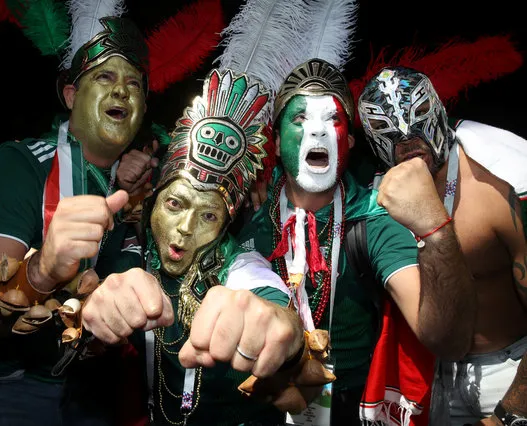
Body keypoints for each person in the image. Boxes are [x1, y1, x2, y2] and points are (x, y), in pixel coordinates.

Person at [0, 16, 152, 426]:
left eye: (134, 83)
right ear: (71, 94)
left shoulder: (128, 196)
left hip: (80, 389)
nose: (122, 89)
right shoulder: (21, 163)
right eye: (104, 76)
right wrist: (40, 271)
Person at [80, 68, 334, 426]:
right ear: (153, 203)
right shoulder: (129, 256)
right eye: (175, 205)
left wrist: (286, 344)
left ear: (224, 226)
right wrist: (90, 317)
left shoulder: (242, 269)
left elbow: (300, 379)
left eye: (208, 216)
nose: (184, 229)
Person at [235, 58, 476, 425]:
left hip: (351, 407)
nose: (317, 133)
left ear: (348, 141)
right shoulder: (245, 214)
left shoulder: (373, 219)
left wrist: (436, 231)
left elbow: (447, 340)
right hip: (257, 408)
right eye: (300, 119)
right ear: (277, 141)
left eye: (332, 120)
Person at [358, 65, 527, 425]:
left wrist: (513, 411)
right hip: (432, 379)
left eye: (419, 117)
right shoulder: (376, 195)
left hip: (512, 371)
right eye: (387, 131)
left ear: (437, 108)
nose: (408, 140)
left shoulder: (505, 175)